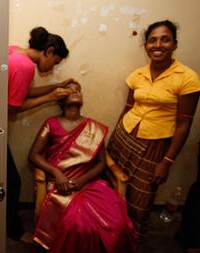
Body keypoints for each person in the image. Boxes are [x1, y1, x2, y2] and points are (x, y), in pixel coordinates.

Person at [107, 20, 200, 237]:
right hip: (124, 138)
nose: (158, 45)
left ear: (174, 44)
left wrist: (166, 162)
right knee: (113, 186)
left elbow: (184, 124)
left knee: (140, 200)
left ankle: (130, 240)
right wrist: (114, 138)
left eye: (165, 39)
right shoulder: (138, 74)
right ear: (146, 45)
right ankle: (110, 234)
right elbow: (128, 108)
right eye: (152, 40)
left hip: (155, 145)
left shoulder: (188, 78)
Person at [29, 82, 138, 252]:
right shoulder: (51, 123)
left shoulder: (94, 127)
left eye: (78, 90)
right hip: (61, 184)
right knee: (76, 225)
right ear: (61, 100)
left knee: (117, 223)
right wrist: (56, 173)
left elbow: (102, 162)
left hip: (89, 182)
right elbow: (34, 154)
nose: (75, 91)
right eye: (70, 89)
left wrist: (82, 181)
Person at [7, 26, 73, 243]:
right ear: (50, 50)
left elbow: (22, 92)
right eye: (55, 62)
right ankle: (13, 230)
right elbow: (13, 106)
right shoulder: (25, 66)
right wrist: (50, 97)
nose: (52, 68)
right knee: (13, 182)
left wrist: (57, 87)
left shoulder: (16, 52)